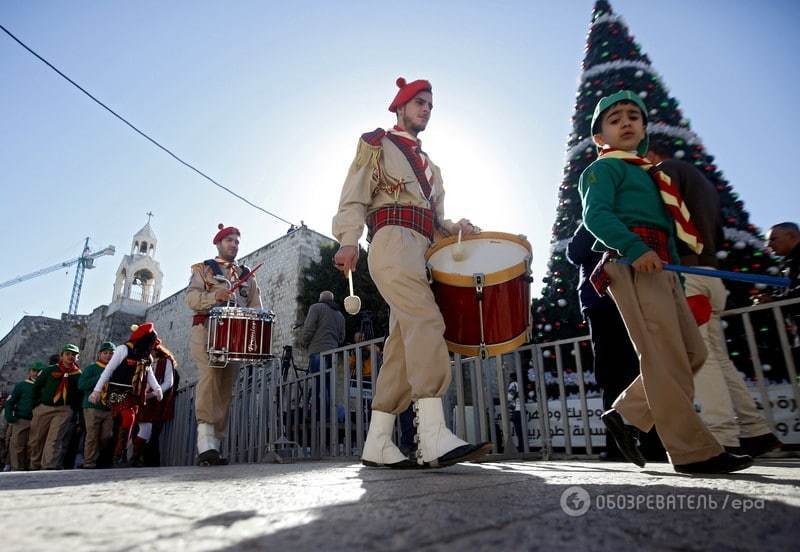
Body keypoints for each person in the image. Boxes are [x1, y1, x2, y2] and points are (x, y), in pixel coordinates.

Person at [579, 90, 752, 474]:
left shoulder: (647, 173)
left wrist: (677, 270)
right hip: (632, 262)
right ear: (599, 137)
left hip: (664, 268)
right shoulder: (605, 168)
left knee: (693, 353)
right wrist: (634, 247)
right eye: (615, 118)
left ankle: (626, 414)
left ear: (643, 128)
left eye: (633, 116)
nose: (626, 122)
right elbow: (597, 217)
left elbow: (668, 228)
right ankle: (693, 452)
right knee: (663, 355)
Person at [332, 77, 490, 468]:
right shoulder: (376, 144)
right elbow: (354, 195)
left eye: (430, 105)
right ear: (400, 107)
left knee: (401, 349)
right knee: (426, 322)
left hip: (421, 248)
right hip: (391, 241)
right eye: (419, 102)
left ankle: (378, 442)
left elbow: (434, 220)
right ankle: (432, 435)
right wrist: (347, 239)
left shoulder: (433, 167)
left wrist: (454, 229)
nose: (426, 110)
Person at [648, 143, 782, 458]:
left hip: (688, 272)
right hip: (710, 273)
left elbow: (668, 218)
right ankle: (755, 430)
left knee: (701, 357)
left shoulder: (665, 172)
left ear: (653, 156)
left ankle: (721, 436)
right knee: (718, 357)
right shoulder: (705, 183)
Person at [566, 224, 665, 461]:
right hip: (603, 302)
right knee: (613, 373)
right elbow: (575, 253)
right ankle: (621, 445)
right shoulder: (596, 218)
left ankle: (651, 444)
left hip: (630, 297)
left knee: (639, 368)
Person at [186, 223, 262, 466]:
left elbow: (255, 306)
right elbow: (191, 298)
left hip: (234, 337)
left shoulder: (246, 275)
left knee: (225, 387)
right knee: (210, 376)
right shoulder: (203, 270)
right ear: (219, 243)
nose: (234, 244)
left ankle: (214, 447)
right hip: (206, 330)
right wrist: (213, 297)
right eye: (229, 240)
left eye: (237, 241)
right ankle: (204, 442)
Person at [88, 324, 163, 467]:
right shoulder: (123, 349)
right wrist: (97, 390)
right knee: (129, 417)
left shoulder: (145, 355)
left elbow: (149, 373)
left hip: (135, 394)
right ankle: (118, 455)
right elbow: (108, 370)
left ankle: (117, 455)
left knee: (127, 423)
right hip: (118, 392)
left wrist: (157, 388)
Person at [29, 344, 83, 470]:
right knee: (36, 439)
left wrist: (73, 410)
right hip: (44, 408)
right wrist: (35, 405)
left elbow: (79, 395)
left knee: (54, 439)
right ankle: (34, 466)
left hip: (63, 410)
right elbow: (37, 387)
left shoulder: (78, 374)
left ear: (78, 357)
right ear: (62, 356)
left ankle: (48, 467)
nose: (71, 357)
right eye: (68, 354)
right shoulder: (50, 370)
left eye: (74, 355)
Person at [134, 342, 178, 467]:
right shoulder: (143, 360)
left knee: (153, 434)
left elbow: (169, 382)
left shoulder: (165, 361)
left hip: (158, 403)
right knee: (139, 430)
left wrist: (153, 394)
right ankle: (136, 458)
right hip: (142, 402)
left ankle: (150, 463)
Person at [78, 342, 115, 469]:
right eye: (105, 353)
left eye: (111, 353)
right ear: (99, 354)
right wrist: (101, 378)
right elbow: (82, 385)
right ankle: (89, 461)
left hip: (109, 407)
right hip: (92, 406)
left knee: (106, 436)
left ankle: (99, 458)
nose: (108, 356)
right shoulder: (92, 368)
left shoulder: (116, 370)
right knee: (92, 435)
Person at [3, 362, 43, 470]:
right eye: (34, 370)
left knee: (33, 446)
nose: (36, 373)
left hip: (37, 421)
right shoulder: (21, 385)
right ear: (30, 371)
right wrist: (9, 415)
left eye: (39, 372)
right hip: (21, 420)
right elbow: (10, 402)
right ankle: (17, 468)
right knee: (17, 446)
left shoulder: (44, 387)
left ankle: (29, 469)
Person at [300, 290, 345, 374]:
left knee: (317, 381)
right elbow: (342, 337)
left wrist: (303, 342)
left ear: (320, 298)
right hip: (332, 352)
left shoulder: (315, 308)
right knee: (328, 381)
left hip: (317, 350)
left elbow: (309, 327)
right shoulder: (340, 315)